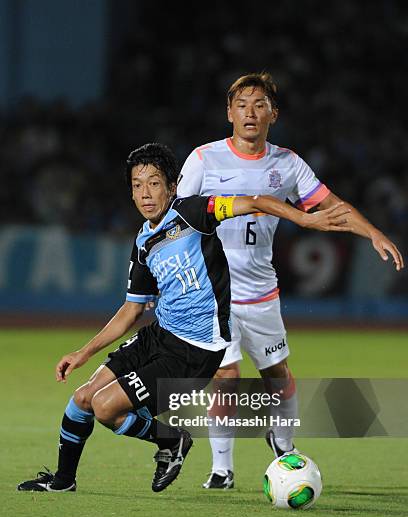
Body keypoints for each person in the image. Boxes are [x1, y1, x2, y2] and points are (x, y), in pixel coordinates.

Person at [17, 142, 350, 494]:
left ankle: (173, 441)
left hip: (195, 350)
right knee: (83, 398)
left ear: (172, 186)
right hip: (159, 334)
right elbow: (132, 309)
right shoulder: (144, 242)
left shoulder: (193, 213)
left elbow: (253, 201)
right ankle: (63, 480)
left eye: (154, 183)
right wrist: (82, 353)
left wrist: (303, 217)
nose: (145, 194)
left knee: (105, 408)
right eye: (137, 185)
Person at [177, 72, 404, 489]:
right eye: (242, 104)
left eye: (259, 104)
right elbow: (177, 218)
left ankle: (283, 445)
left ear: (273, 114)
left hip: (262, 293)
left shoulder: (286, 164)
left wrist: (372, 232)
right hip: (213, 295)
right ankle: (222, 469)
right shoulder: (203, 159)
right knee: (226, 379)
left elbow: (332, 205)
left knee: (277, 377)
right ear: (229, 113)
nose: (250, 112)